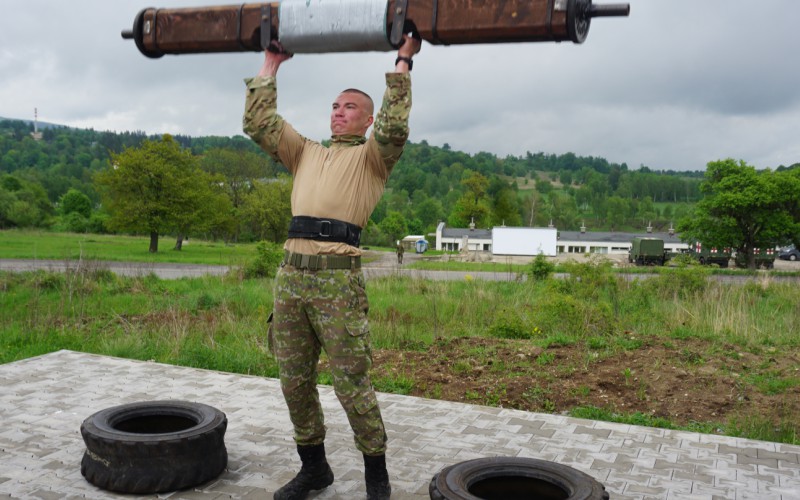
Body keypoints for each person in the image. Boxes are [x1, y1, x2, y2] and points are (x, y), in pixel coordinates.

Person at [243, 33, 421, 500]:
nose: (338, 111)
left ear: (368, 119)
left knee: (351, 385)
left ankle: (376, 480)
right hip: (291, 280)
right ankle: (314, 469)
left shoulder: (372, 159)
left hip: (337, 285)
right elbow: (259, 123)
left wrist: (402, 61)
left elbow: (395, 127)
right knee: (294, 382)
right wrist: (271, 62)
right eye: (335, 105)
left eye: (348, 107)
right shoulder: (306, 152)